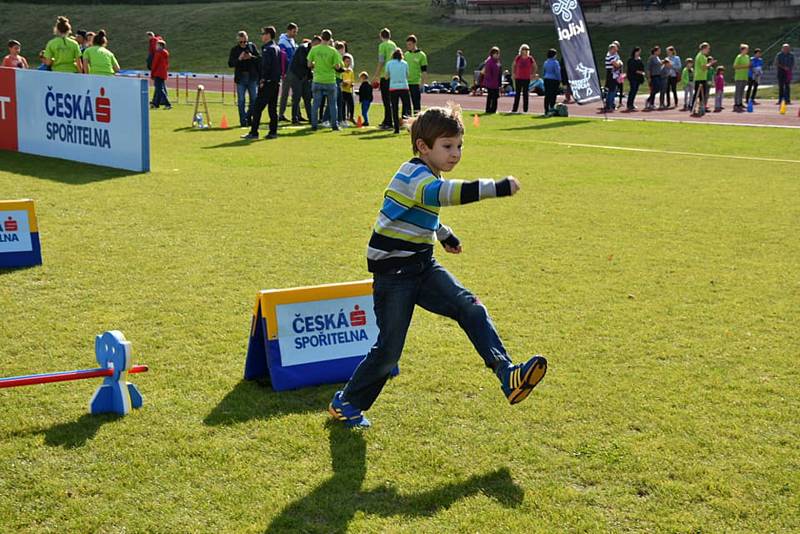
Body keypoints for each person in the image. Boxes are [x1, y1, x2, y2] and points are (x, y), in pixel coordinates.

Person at [327, 104, 547, 428]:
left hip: (423, 266)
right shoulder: (411, 173)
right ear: (422, 147)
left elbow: (425, 211)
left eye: (459, 146)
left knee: (471, 308)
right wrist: (495, 187)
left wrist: (444, 234)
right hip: (393, 276)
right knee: (388, 353)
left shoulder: (431, 173)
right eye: (447, 146)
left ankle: (508, 375)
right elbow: (440, 196)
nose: (455, 153)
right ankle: (346, 403)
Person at [242, 26, 282, 140]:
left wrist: (263, 79)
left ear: (268, 35)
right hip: (275, 82)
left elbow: (266, 66)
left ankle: (254, 133)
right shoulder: (276, 47)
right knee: (272, 109)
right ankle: (273, 132)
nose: (261, 36)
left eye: (263, 33)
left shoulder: (267, 49)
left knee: (257, 108)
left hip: (268, 82)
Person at [308, 29, 343, 131]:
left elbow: (309, 64)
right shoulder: (333, 51)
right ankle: (334, 125)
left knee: (316, 104)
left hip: (317, 79)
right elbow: (337, 66)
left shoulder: (314, 49)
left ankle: (314, 125)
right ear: (330, 38)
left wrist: (316, 65)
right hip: (330, 80)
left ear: (321, 37)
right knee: (332, 104)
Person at [228, 31, 260, 127]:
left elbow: (259, 59)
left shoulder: (252, 47)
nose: (244, 44)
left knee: (254, 99)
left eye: (245, 41)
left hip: (252, 77)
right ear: (238, 41)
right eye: (241, 42)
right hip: (240, 77)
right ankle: (243, 121)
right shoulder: (234, 50)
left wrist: (251, 57)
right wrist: (239, 58)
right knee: (241, 100)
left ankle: (248, 118)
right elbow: (230, 64)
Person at [287, 36, 318, 124]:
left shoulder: (311, 50)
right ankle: (294, 118)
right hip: (296, 76)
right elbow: (303, 62)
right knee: (296, 98)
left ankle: (311, 118)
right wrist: (313, 64)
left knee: (307, 98)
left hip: (304, 76)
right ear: (314, 43)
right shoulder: (302, 48)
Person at [373, 28, 397, 130]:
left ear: (381, 36)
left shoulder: (382, 45)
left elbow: (381, 61)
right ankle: (388, 119)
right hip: (394, 75)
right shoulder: (393, 45)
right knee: (391, 99)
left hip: (385, 75)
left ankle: (388, 122)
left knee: (386, 99)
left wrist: (376, 75)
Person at [385, 48, 411, 134]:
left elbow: (386, 76)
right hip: (404, 87)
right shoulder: (405, 63)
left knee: (395, 108)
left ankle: (396, 128)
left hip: (393, 87)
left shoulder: (389, 63)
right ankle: (410, 126)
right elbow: (407, 75)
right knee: (407, 107)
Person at [277, 23, 299, 122]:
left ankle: (297, 114)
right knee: (285, 94)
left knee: (297, 93)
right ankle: (281, 114)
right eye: (294, 31)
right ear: (289, 30)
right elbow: (283, 57)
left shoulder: (292, 40)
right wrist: (283, 71)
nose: (295, 34)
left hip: (294, 70)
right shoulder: (282, 42)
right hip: (287, 71)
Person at [404, 35, 428, 116]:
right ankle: (406, 120)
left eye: (410, 44)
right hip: (406, 83)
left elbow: (424, 71)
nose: (408, 46)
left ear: (414, 44)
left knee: (416, 103)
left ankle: (417, 120)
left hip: (416, 83)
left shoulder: (422, 55)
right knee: (406, 103)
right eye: (407, 45)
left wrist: (422, 84)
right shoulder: (406, 54)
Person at [691, 42, 715, 115]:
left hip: (702, 77)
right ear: (704, 48)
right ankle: (694, 107)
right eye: (708, 48)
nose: (709, 50)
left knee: (702, 94)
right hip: (699, 78)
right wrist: (710, 64)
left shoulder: (703, 56)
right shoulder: (700, 56)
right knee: (698, 94)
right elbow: (703, 67)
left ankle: (701, 108)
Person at [511, 44, 536, 113]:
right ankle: (514, 109)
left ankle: (525, 110)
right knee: (517, 94)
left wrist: (533, 74)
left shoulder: (530, 58)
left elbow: (534, 66)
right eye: (523, 49)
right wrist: (513, 73)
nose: (525, 51)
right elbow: (514, 65)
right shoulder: (518, 57)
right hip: (518, 77)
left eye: (526, 50)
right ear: (521, 50)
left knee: (525, 94)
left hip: (526, 78)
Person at [150, 39, 171, 109]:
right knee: (158, 89)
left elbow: (154, 64)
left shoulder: (158, 53)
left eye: (157, 45)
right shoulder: (165, 53)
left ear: (160, 46)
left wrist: (152, 73)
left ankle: (167, 104)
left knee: (159, 89)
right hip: (163, 73)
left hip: (158, 73)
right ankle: (155, 104)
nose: (155, 46)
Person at [482, 47, 501, 114]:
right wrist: (491, 82)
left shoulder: (497, 61)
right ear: (492, 54)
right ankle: (488, 109)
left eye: (497, 53)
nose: (496, 55)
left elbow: (499, 72)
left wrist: (499, 82)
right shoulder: (489, 62)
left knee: (495, 97)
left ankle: (493, 110)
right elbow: (488, 73)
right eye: (495, 54)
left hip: (496, 82)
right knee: (491, 96)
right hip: (490, 82)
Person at [626, 47, 645, 111]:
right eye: (638, 52)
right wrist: (638, 71)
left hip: (638, 78)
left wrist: (642, 72)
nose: (639, 53)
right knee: (632, 90)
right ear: (635, 52)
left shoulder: (639, 59)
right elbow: (631, 69)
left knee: (635, 90)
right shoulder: (631, 60)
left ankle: (632, 103)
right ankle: (629, 104)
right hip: (632, 77)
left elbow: (642, 67)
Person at [542, 48, 560, 116]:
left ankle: (546, 110)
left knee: (547, 95)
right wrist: (559, 79)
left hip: (546, 79)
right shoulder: (555, 62)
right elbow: (557, 72)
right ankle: (551, 108)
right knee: (553, 95)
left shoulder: (546, 62)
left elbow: (544, 71)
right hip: (554, 80)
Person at [732, 44, 750, 111]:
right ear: (742, 50)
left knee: (742, 91)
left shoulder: (747, 57)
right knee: (738, 90)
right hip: (739, 76)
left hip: (745, 76)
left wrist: (748, 66)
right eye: (746, 49)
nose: (747, 50)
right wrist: (744, 66)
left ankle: (740, 102)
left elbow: (748, 65)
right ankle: (736, 103)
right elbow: (735, 66)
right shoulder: (739, 57)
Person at [644, 45, 662, 111]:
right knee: (655, 89)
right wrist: (649, 77)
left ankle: (651, 101)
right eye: (658, 51)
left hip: (658, 75)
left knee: (657, 89)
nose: (659, 52)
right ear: (655, 51)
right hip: (654, 75)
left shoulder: (657, 57)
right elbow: (648, 68)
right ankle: (650, 102)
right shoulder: (652, 58)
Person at [604, 43, 620, 110]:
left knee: (613, 89)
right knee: (612, 90)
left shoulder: (613, 55)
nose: (616, 51)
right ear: (612, 49)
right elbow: (616, 65)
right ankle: (609, 104)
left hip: (614, 74)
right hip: (611, 74)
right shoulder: (610, 56)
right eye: (615, 49)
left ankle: (609, 104)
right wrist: (619, 63)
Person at [341, 54, 356, 123]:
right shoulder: (341, 70)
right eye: (347, 61)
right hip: (342, 90)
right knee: (343, 105)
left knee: (351, 104)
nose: (348, 63)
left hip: (349, 90)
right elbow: (340, 79)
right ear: (343, 62)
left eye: (349, 61)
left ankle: (351, 117)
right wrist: (343, 83)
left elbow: (352, 80)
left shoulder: (351, 71)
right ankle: (343, 119)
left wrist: (352, 84)